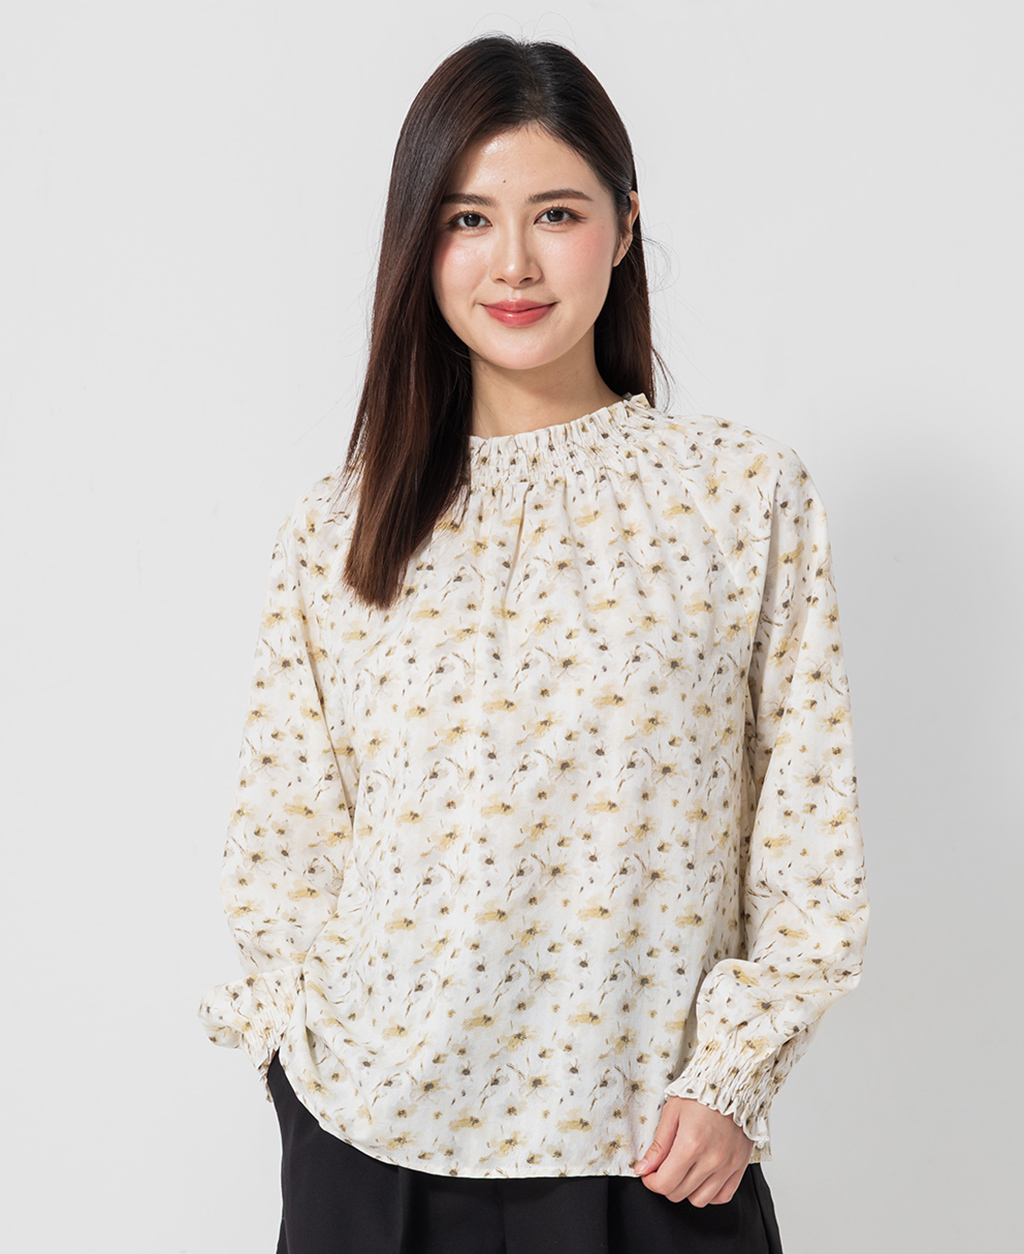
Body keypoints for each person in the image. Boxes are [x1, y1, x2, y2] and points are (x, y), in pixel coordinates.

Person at [197, 33, 868, 1254]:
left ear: (622, 227)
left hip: (652, 1160)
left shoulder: (738, 497)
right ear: (419, 244)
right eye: (467, 219)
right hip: (369, 1157)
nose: (512, 262)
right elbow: (283, 843)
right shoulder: (339, 525)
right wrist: (298, 1078)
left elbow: (807, 840)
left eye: (554, 213)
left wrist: (733, 1078)